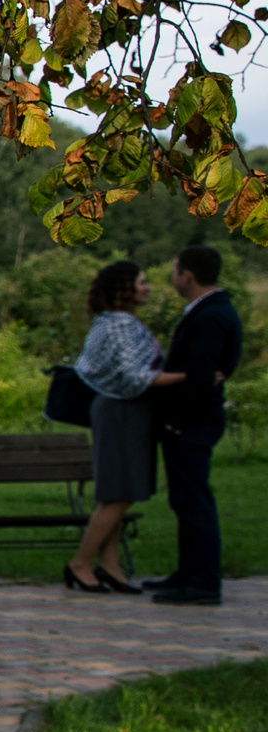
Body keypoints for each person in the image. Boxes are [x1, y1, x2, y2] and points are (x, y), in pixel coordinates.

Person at [64, 260, 184, 593]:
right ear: (123, 290)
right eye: (142, 282)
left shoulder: (110, 322)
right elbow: (135, 377)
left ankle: (110, 566)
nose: (148, 287)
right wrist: (187, 378)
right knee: (119, 494)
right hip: (123, 411)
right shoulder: (121, 326)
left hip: (120, 411)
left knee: (116, 491)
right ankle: (80, 564)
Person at [144, 244, 245, 605]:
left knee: (193, 501)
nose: (172, 276)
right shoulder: (215, 310)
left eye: (174, 269)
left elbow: (201, 373)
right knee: (185, 499)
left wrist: (177, 418)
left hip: (191, 422)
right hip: (194, 420)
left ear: (186, 274)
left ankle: (202, 581)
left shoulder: (210, 316)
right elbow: (223, 366)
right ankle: (189, 572)